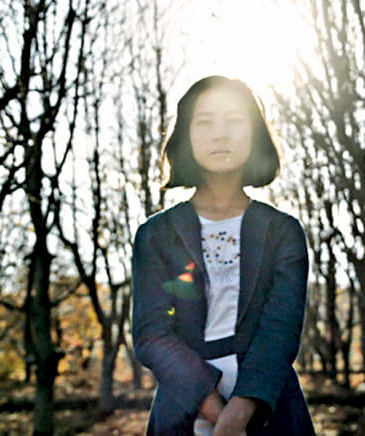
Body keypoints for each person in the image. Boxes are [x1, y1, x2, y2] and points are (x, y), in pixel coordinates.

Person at [131, 76, 315, 435]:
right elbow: (152, 333)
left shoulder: (283, 231)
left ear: (254, 134)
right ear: (186, 136)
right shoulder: (156, 234)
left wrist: (240, 414)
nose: (220, 134)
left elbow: (280, 330)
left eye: (234, 121)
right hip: (184, 407)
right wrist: (217, 413)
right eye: (204, 122)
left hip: (271, 407)